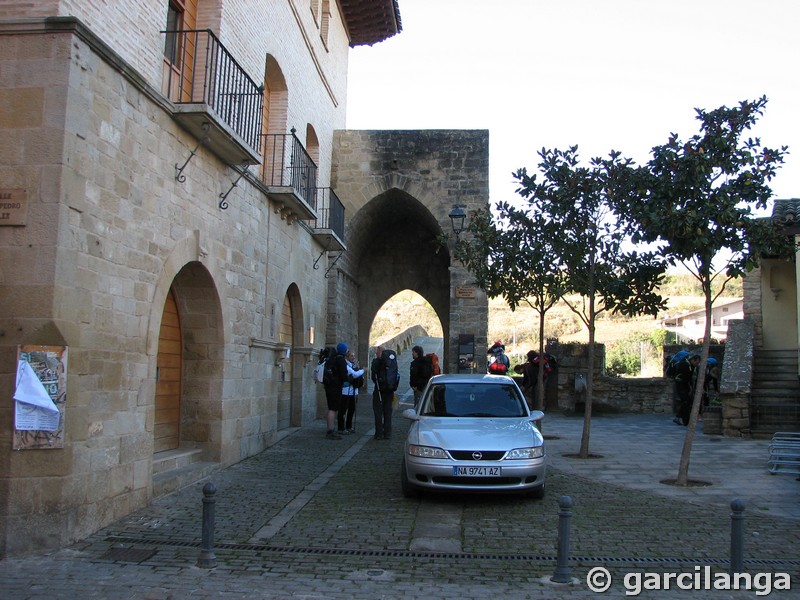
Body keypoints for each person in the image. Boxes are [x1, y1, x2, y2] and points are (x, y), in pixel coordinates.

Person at [323, 342, 349, 439]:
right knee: (332, 409)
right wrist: (349, 378)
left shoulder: (332, 359)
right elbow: (344, 376)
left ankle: (330, 429)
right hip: (335, 387)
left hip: (329, 386)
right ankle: (330, 431)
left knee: (331, 408)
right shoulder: (341, 360)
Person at [338, 349, 364, 434]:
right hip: (346, 391)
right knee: (343, 410)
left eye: (354, 356)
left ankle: (349, 426)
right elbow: (355, 374)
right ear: (347, 357)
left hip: (353, 391)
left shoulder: (353, 365)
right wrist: (363, 370)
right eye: (351, 356)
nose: (353, 357)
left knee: (351, 409)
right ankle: (341, 428)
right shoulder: (346, 365)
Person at [371, 345, 394, 440]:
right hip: (389, 390)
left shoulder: (376, 362)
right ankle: (387, 433)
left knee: (378, 412)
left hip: (379, 390)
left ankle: (379, 433)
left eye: (377, 351)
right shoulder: (391, 362)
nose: (376, 353)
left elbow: (373, 378)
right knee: (388, 412)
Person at [674, 352, 701, 426]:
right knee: (685, 402)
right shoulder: (687, 366)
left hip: (682, 385)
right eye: (697, 362)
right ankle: (685, 420)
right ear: (693, 360)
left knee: (686, 402)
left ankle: (679, 417)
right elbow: (687, 379)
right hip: (682, 386)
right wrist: (689, 389)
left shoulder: (690, 366)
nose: (697, 364)